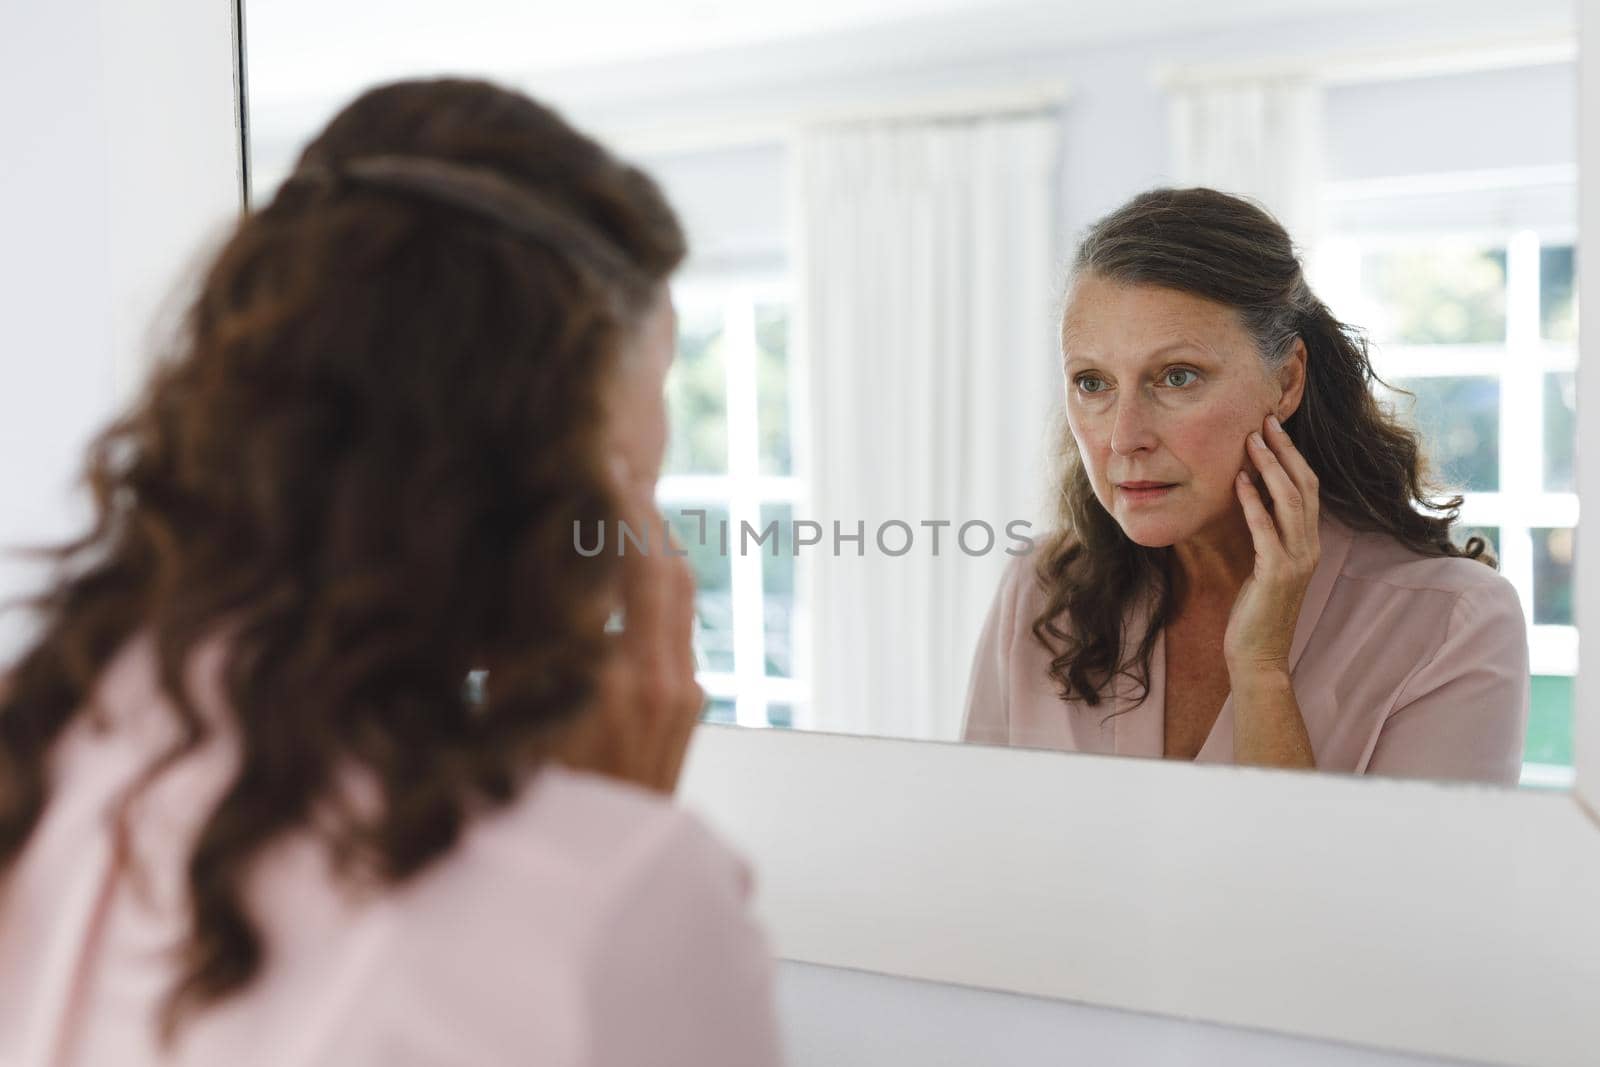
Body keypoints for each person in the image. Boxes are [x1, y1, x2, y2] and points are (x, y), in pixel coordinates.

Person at [0, 78, 783, 1066]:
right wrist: (602, 850)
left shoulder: (38, 753)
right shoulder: (607, 891)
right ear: (565, 453)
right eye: (658, 383)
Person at [963, 187, 1529, 785]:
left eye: (1176, 377)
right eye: (1093, 383)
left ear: (1286, 381)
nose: (1124, 438)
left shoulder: (1452, 624)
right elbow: (970, 852)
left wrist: (1261, 671)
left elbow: (1372, 882)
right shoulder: (1042, 593)